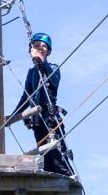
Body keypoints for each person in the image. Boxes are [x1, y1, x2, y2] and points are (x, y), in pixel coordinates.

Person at [10, 32, 73, 176]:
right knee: (46, 159)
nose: (40, 48)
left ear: (48, 51)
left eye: (44, 46)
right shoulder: (31, 72)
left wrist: (42, 62)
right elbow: (26, 97)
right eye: (37, 46)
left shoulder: (53, 67)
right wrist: (13, 115)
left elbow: (54, 80)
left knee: (58, 157)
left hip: (51, 118)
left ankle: (68, 182)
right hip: (38, 121)